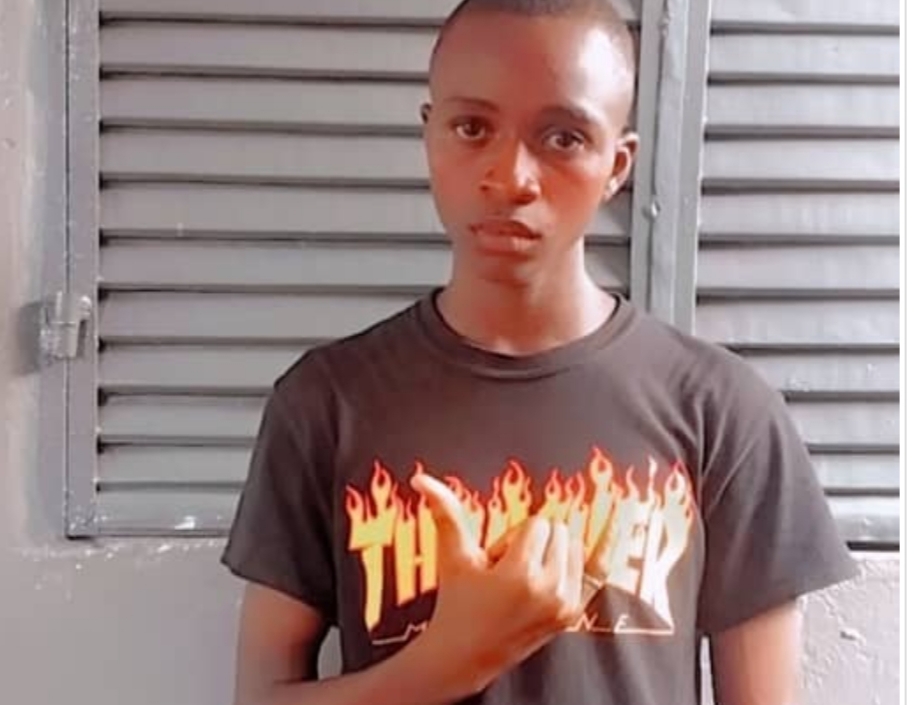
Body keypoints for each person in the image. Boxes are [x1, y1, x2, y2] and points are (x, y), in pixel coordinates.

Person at [221, 0, 857, 703]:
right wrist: (444, 664)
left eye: (563, 138)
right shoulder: (326, 402)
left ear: (617, 165)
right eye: (472, 128)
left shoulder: (722, 411)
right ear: (429, 135)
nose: (511, 177)